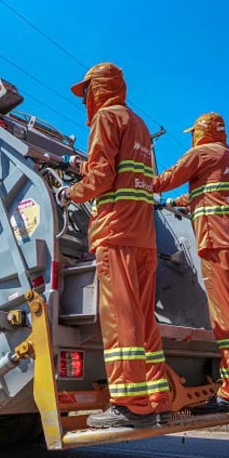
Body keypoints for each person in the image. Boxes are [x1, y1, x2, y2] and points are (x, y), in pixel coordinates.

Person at [56, 62, 171, 428]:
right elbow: (125, 171)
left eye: (86, 92)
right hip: (144, 236)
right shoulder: (137, 124)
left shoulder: (105, 118)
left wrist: (71, 193)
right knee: (143, 319)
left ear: (98, 89)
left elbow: (103, 178)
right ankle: (158, 399)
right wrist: (84, 164)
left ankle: (129, 405)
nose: (84, 101)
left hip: (116, 232)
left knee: (120, 319)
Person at [154, 113, 229, 413]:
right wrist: (171, 203)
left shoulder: (201, 153)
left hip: (217, 243)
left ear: (200, 132)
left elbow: (166, 179)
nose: (192, 138)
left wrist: (135, 183)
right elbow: (209, 193)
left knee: (226, 318)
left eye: (193, 133)